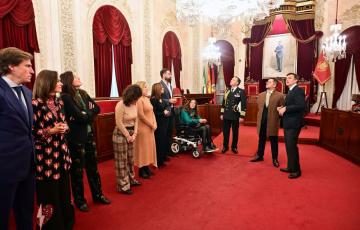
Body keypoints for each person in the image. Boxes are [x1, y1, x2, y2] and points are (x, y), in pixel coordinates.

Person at [60, 71, 110, 212]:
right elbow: (78, 116)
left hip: (89, 136)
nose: (79, 77)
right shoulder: (65, 97)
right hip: (76, 139)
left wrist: (84, 114)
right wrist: (85, 115)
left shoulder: (82, 93)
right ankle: (80, 200)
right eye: (76, 76)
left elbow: (97, 108)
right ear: (69, 80)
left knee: (93, 168)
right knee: (77, 172)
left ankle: (98, 195)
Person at [32, 70, 74, 229]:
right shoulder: (35, 104)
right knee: (49, 194)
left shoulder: (59, 102)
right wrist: (50, 131)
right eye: (57, 80)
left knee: (64, 191)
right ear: (47, 82)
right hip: (46, 158)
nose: (61, 83)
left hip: (62, 155)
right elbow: (31, 132)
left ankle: (65, 222)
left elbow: (64, 123)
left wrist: (65, 127)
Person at [0, 47, 35, 230]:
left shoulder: (27, 93)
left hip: (27, 164)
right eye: (27, 66)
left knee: (25, 212)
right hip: (5, 168)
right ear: (11, 66)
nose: (32, 70)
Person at [113, 84, 142, 194]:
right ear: (131, 96)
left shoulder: (135, 104)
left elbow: (136, 120)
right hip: (120, 134)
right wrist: (128, 136)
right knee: (122, 160)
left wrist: (134, 134)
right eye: (136, 98)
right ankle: (123, 185)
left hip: (131, 133)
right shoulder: (120, 105)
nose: (137, 100)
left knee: (130, 158)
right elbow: (119, 122)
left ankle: (131, 179)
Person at [250, 78, 285, 167]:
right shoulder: (261, 95)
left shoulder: (280, 96)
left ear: (274, 85)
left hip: (273, 121)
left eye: (269, 82)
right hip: (262, 120)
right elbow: (259, 108)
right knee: (261, 139)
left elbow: (282, 108)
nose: (267, 83)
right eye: (267, 82)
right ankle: (259, 156)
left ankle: (275, 158)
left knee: (274, 140)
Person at [277, 73, 306, 179]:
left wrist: (286, 109)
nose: (287, 80)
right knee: (289, 146)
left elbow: (301, 106)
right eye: (286, 78)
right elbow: (291, 104)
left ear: (296, 80)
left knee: (292, 147)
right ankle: (290, 167)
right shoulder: (291, 91)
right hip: (288, 122)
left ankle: (296, 170)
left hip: (294, 123)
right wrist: (282, 107)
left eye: (290, 78)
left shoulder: (298, 90)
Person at [134, 81, 157, 179]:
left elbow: (152, 112)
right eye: (145, 87)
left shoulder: (147, 99)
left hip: (150, 127)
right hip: (142, 128)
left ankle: (147, 167)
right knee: (143, 149)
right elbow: (141, 116)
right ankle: (141, 169)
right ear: (140, 89)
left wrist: (155, 123)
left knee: (148, 148)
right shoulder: (138, 100)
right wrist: (151, 124)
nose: (147, 89)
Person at [220, 76, 247, 154]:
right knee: (225, 132)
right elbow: (223, 103)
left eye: (233, 79)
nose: (231, 80)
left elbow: (243, 104)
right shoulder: (227, 91)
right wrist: (222, 113)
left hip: (235, 115)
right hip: (226, 114)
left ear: (237, 83)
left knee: (235, 132)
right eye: (231, 79)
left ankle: (234, 147)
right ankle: (225, 146)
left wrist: (242, 116)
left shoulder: (241, 91)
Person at [150, 83, 170, 167]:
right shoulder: (153, 99)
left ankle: (163, 157)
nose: (163, 89)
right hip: (159, 123)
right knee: (159, 142)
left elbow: (166, 106)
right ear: (157, 89)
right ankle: (158, 161)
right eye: (161, 88)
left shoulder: (161, 98)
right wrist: (163, 112)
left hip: (164, 122)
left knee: (164, 140)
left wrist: (167, 110)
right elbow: (154, 113)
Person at [160, 68, 177, 159]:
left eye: (170, 74)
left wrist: (173, 100)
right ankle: (163, 154)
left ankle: (168, 151)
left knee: (170, 133)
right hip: (164, 113)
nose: (170, 75)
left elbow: (169, 97)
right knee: (164, 134)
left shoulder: (170, 85)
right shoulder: (159, 85)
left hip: (171, 111)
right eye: (169, 74)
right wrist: (169, 100)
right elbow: (157, 99)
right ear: (163, 75)